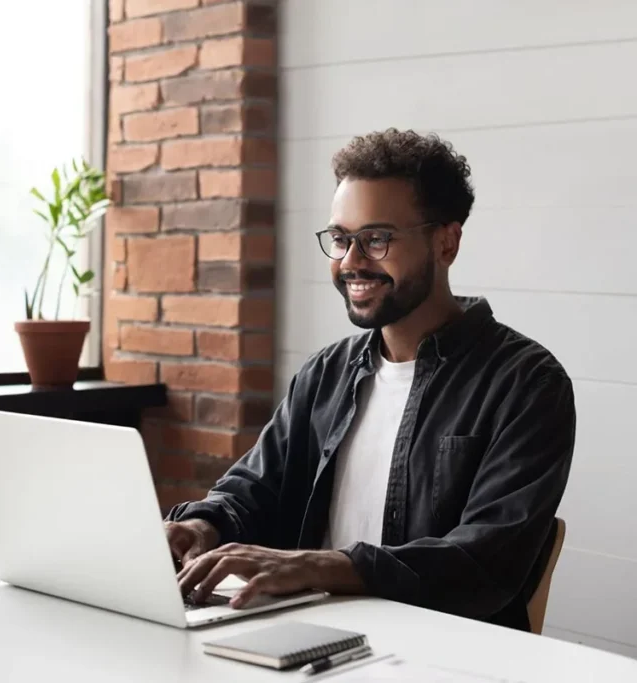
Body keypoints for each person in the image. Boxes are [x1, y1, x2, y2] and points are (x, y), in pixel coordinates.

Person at [166, 128, 576, 632]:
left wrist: (320, 565)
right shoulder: (325, 374)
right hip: (309, 638)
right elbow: (254, 490)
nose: (351, 262)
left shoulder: (526, 383)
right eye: (341, 239)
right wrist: (201, 526)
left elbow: (484, 561)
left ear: (446, 242)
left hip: (442, 654)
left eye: (377, 239)